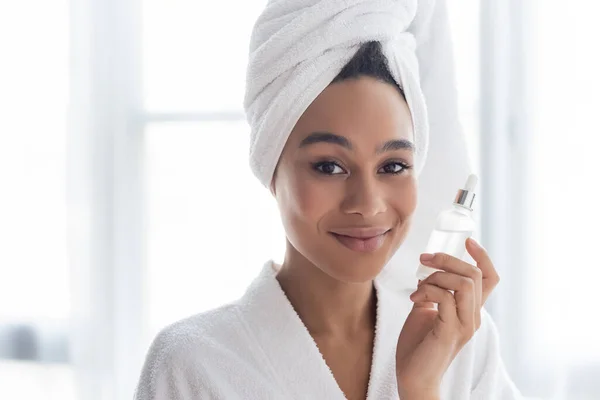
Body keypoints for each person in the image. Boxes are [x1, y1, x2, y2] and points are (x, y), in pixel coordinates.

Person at [134, 1, 524, 399]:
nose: (368, 204)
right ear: (272, 169)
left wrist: (421, 387)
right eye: (329, 167)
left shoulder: (461, 346)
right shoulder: (191, 366)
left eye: (392, 166)